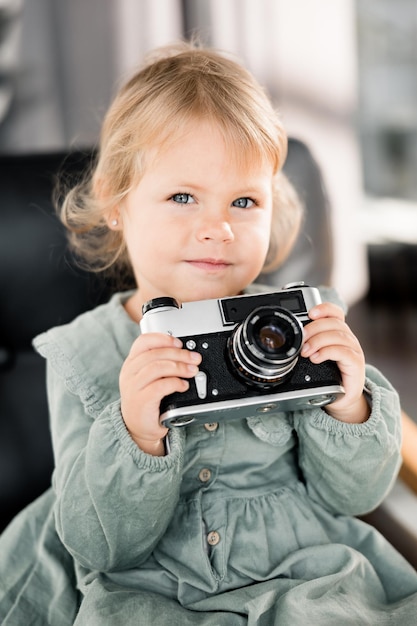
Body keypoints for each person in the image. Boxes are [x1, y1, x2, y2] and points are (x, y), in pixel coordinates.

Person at [1, 40, 417, 626]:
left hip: (306, 574)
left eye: (244, 200)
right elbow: (100, 546)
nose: (217, 227)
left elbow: (353, 498)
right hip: (148, 587)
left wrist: (349, 405)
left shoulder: (290, 326)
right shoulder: (82, 353)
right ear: (117, 202)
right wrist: (137, 433)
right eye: (182, 197)